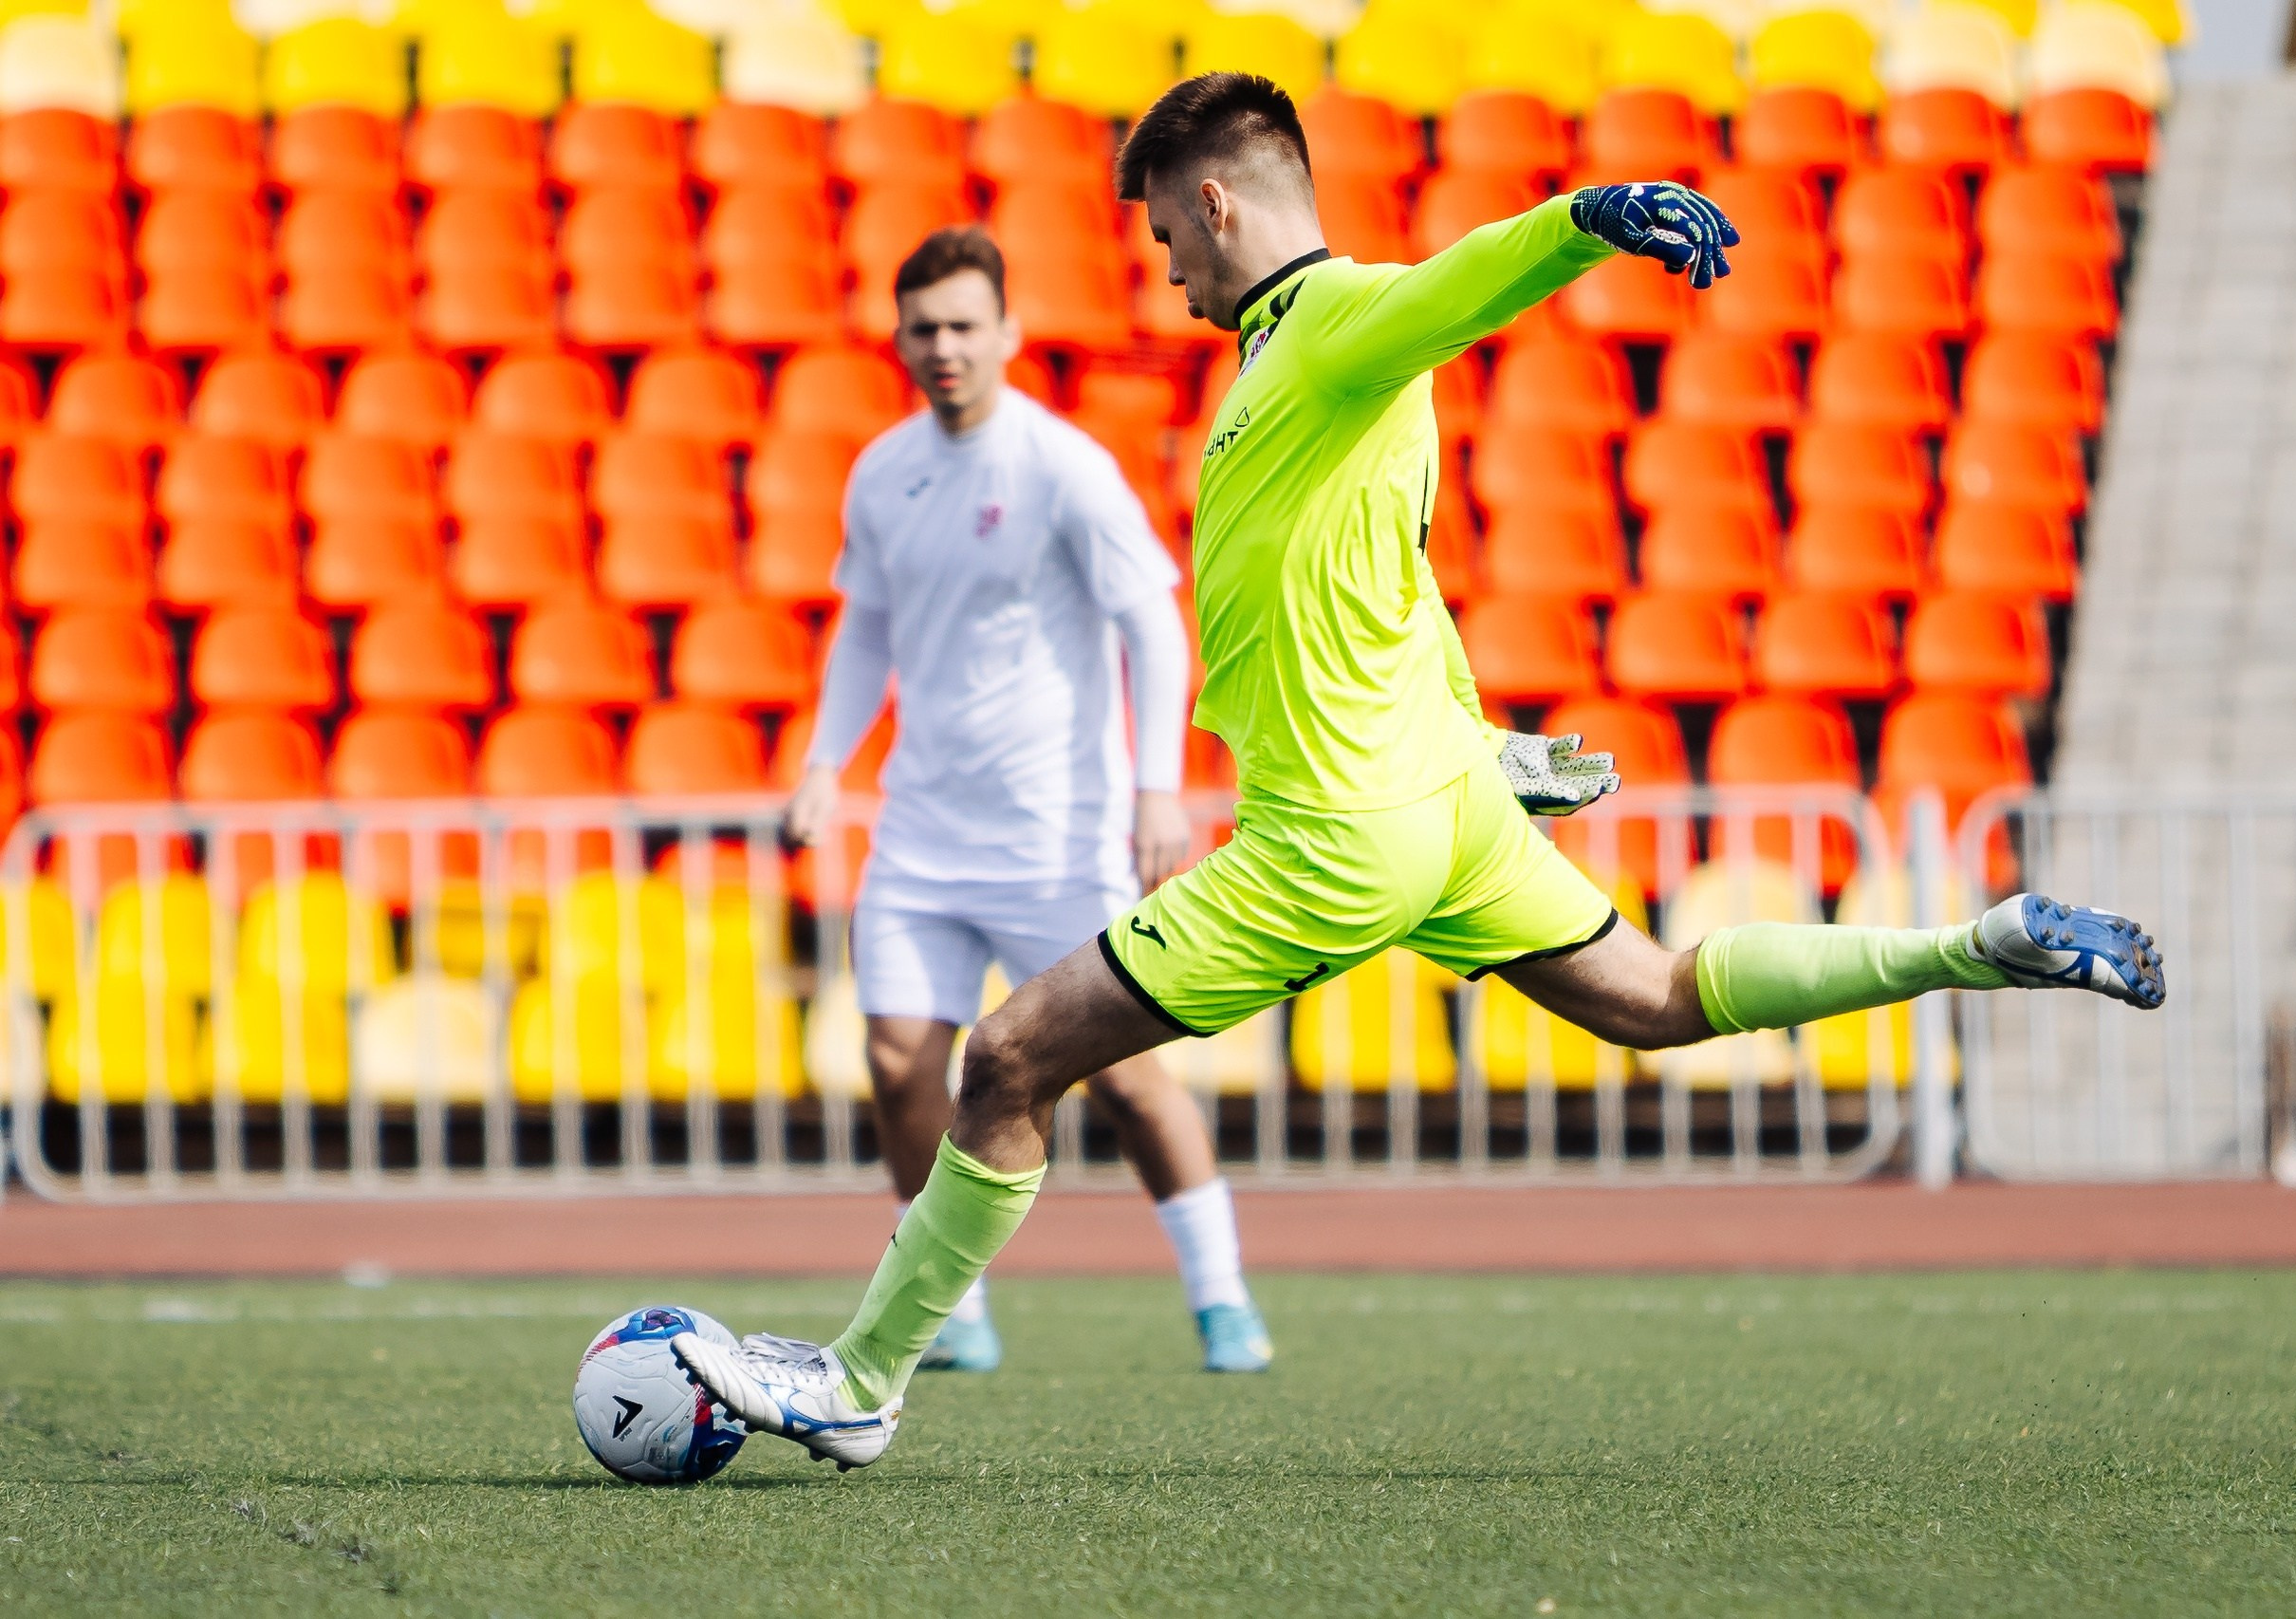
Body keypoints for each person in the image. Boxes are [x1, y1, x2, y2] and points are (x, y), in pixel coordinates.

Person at [678, 72, 2168, 1470]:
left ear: (1214, 204)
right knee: (1657, 996)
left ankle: (862, 1380)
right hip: (1444, 806)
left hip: (1333, 834)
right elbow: (1398, 587)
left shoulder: (1329, 322)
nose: (1166, 274)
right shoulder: (1311, 371)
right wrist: (1479, 742)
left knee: (1006, 1058)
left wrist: (1585, 220)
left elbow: (1452, 288)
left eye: (1165, 237)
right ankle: (1979, 944)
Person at [783, 225, 1272, 1376]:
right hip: (921, 830)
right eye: (923, 328)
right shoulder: (882, 471)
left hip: (1059, 836)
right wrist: (821, 762)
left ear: (1007, 331)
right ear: (899, 338)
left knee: (1129, 1076)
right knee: (899, 1063)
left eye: (964, 324)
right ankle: (951, 1305)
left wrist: (1156, 788)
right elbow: (866, 628)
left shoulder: (1063, 467)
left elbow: (1153, 622)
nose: (943, 346)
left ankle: (1221, 1296)